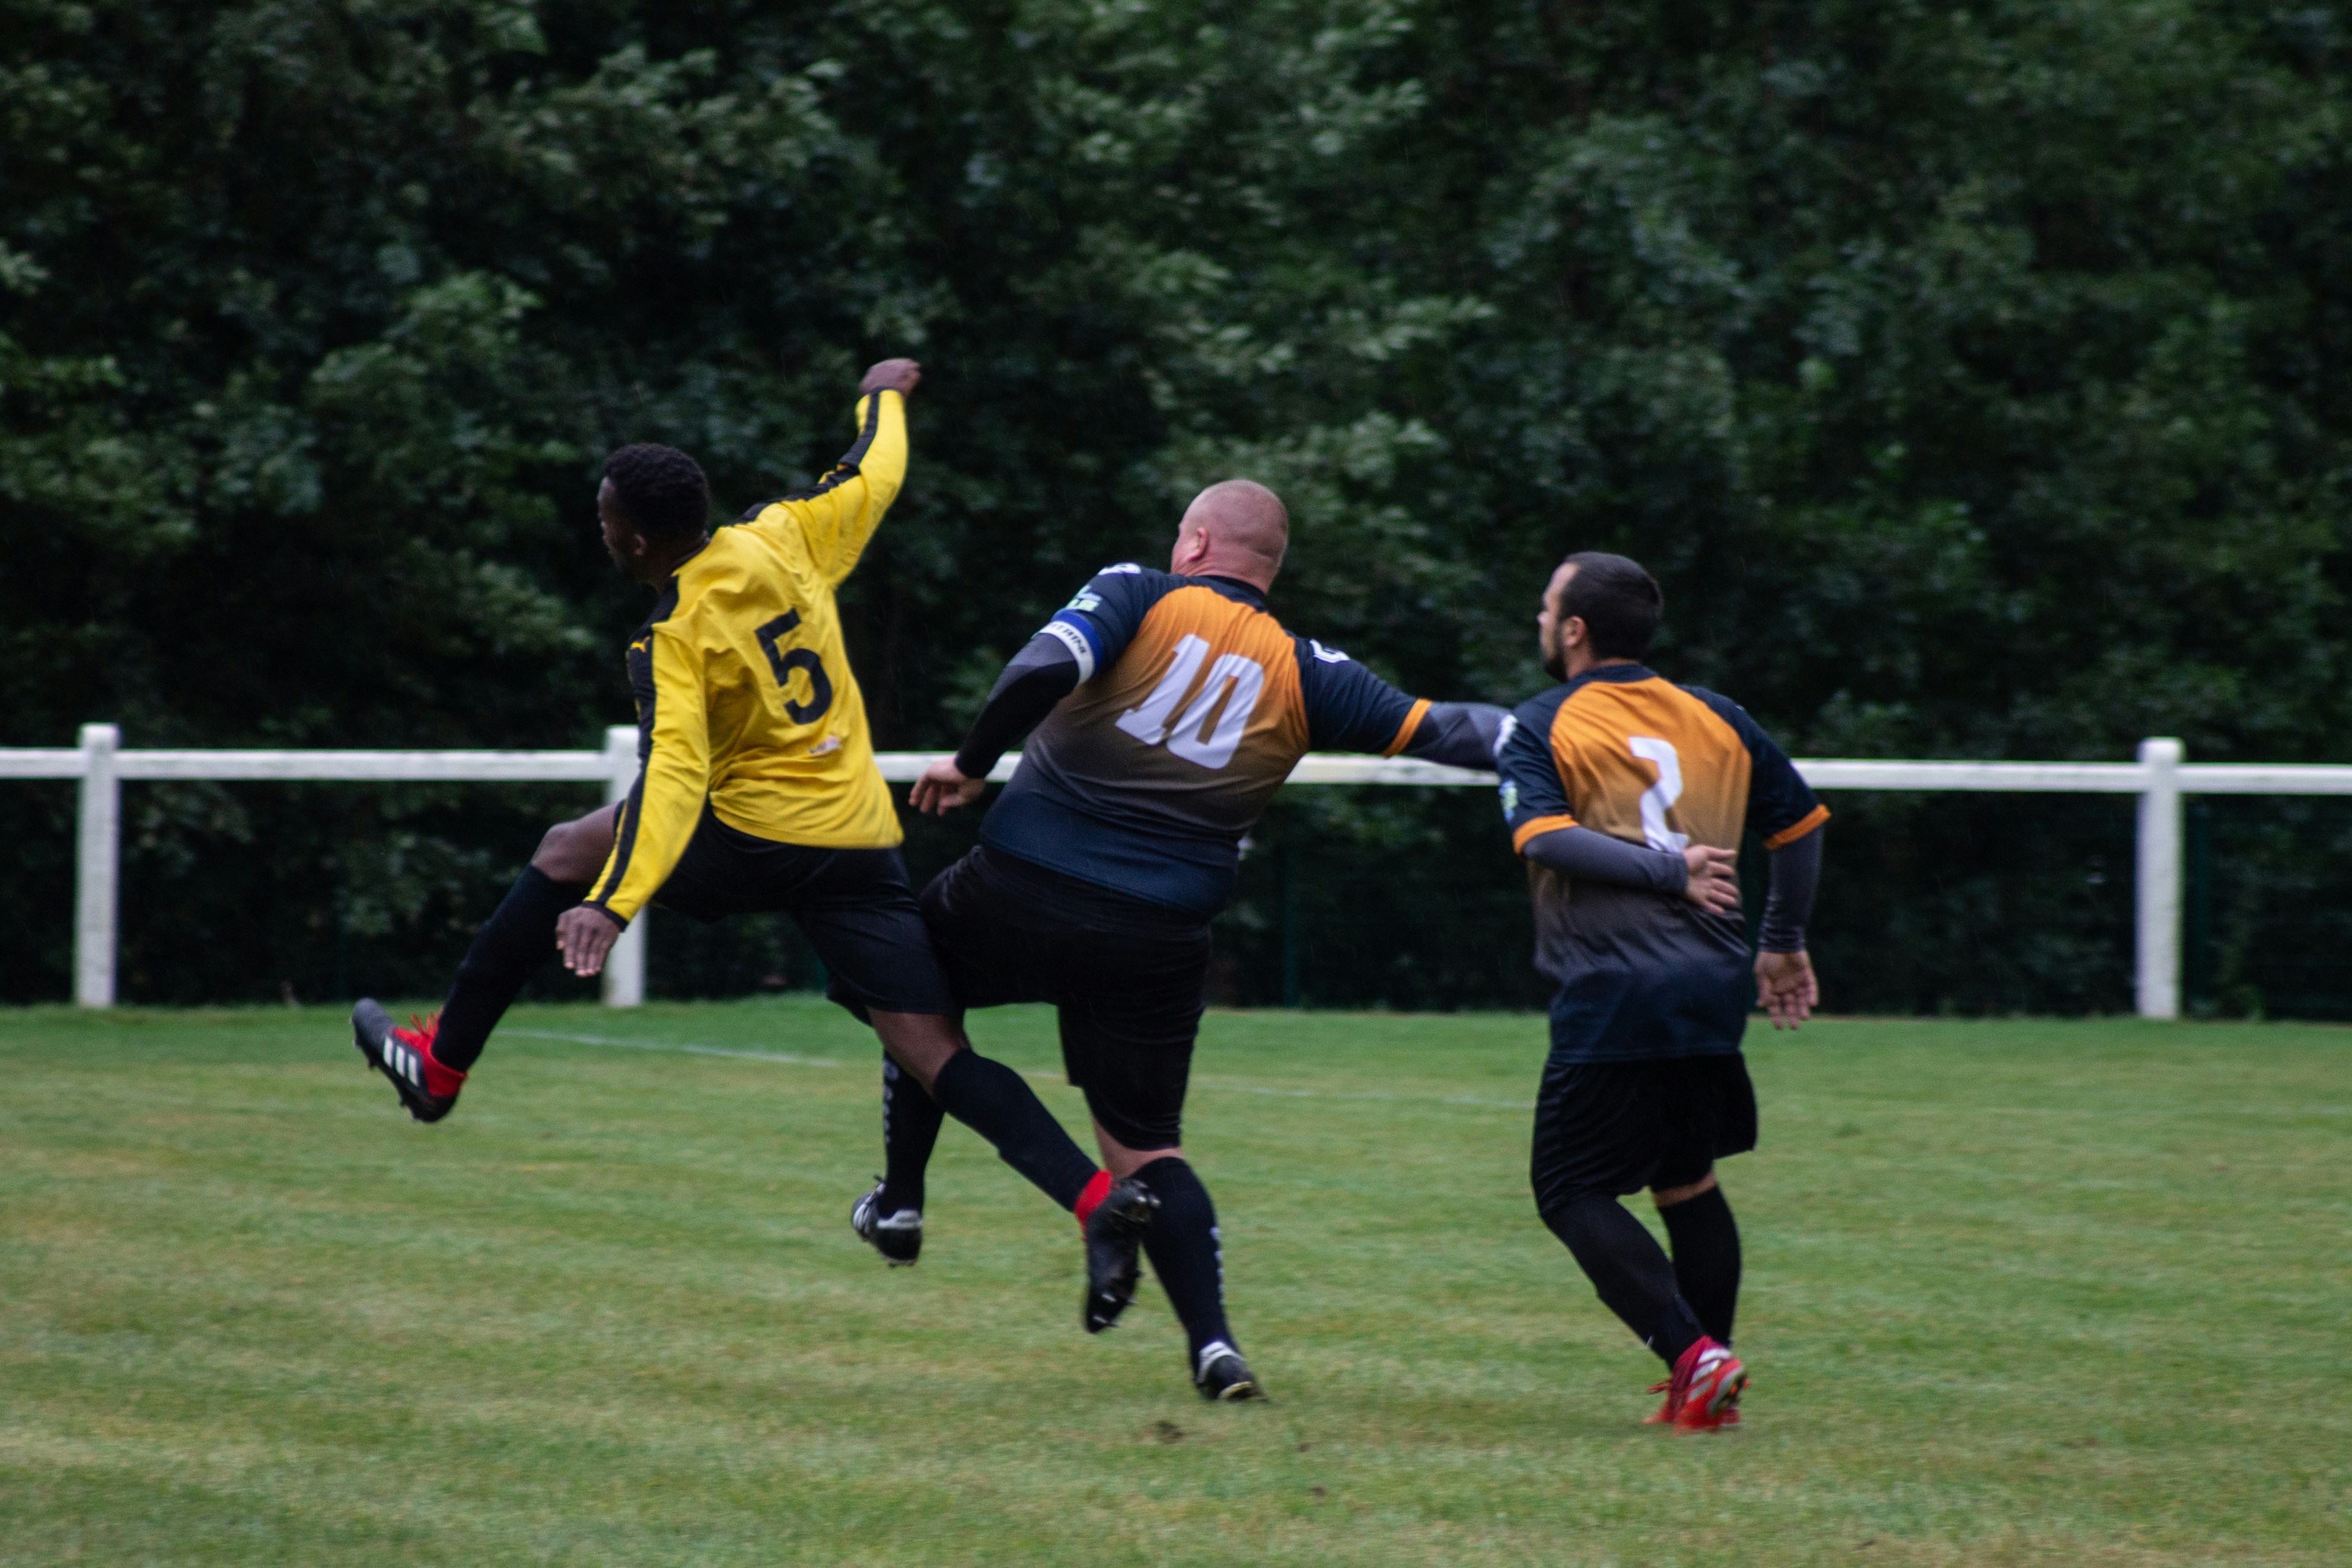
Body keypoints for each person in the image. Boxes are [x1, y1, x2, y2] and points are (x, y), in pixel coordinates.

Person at [349, 361, 1141, 1324]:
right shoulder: (785, 535)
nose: (599, 530)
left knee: (565, 852)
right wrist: (882, 395)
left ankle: (438, 1070)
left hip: (751, 836)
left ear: (632, 540)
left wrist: (612, 900)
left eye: (602, 520)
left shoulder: (673, 633)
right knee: (934, 1052)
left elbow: (674, 778)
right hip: (854, 840)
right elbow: (873, 474)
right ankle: (1097, 1202)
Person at [874, 479, 1508, 1402]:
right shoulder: (1310, 671)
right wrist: (1556, 734)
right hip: (1156, 934)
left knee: (911, 994)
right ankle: (1214, 1347)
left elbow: (1040, 671)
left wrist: (972, 765)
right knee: (1148, 1147)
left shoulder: (1137, 592)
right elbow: (1449, 731)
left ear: (1198, 541)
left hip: (1023, 886)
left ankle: (900, 1203)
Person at [1493, 550, 1826, 1432]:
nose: (1537, 621)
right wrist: (1781, 942)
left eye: (1544, 607)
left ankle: (1691, 1354)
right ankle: (1703, 1394)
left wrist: (1663, 869)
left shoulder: (1541, 722)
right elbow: (1799, 825)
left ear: (1573, 630)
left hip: (1613, 987)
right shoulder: (1717, 717)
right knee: (1685, 1181)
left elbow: (1541, 837)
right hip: (1710, 988)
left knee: (1567, 1189)